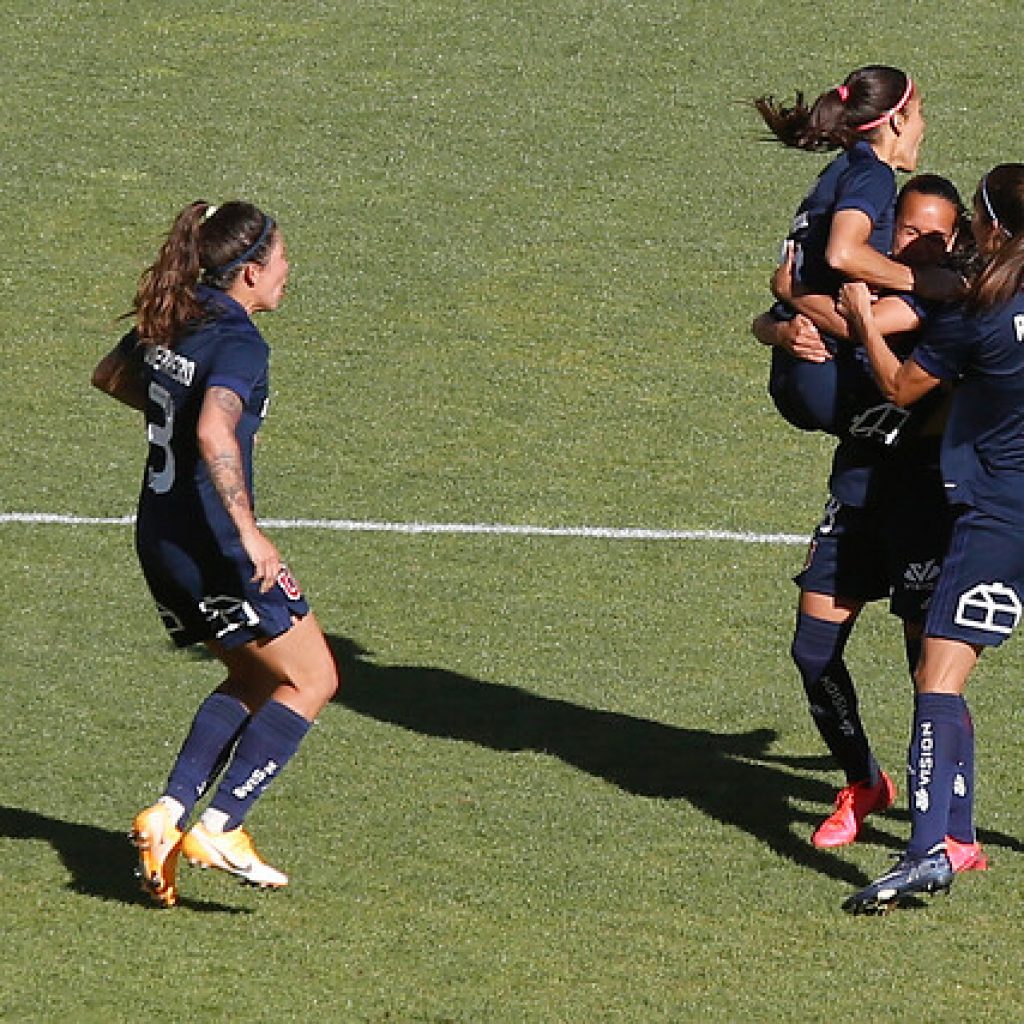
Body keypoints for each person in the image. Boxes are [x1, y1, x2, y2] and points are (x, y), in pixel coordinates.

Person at [92, 201, 339, 907]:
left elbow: (110, 377)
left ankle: (168, 819)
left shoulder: (175, 311)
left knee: (255, 677)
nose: (288, 273)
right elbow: (212, 432)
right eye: (283, 261)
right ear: (252, 271)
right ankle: (222, 826)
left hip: (161, 539)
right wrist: (250, 529)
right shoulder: (238, 344)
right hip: (220, 545)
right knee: (314, 679)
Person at [755, 177, 987, 867]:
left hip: (924, 505)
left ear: (954, 243)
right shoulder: (859, 292)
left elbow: (860, 325)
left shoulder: (942, 305)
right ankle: (864, 782)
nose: (917, 243)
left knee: (931, 672)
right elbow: (773, 317)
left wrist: (806, 298)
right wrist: (780, 324)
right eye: (906, 229)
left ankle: (958, 827)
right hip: (857, 491)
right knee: (812, 651)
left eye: (933, 235)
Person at [838, 164, 1024, 913]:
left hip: (997, 516)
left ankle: (926, 853)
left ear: (991, 229)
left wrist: (856, 312)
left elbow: (899, 387)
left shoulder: (981, 310)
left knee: (937, 682)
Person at [753, 65, 958, 437]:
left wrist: (785, 307)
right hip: (833, 376)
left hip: (796, 365)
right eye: (919, 114)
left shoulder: (840, 170)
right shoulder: (872, 175)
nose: (923, 127)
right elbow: (842, 253)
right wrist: (923, 282)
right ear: (897, 121)